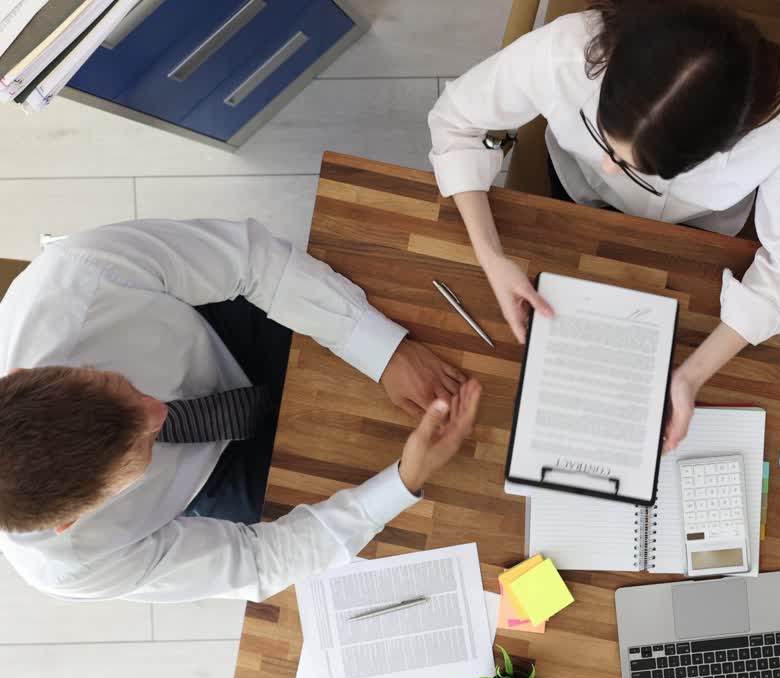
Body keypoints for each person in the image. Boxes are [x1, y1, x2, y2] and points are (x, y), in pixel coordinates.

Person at [0, 219, 480, 603]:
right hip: (212, 478)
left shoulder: (75, 275)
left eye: (118, 383)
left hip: (226, 331)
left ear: (22, 373)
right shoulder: (68, 566)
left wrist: (384, 351)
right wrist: (402, 482)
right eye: (140, 448)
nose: (158, 412)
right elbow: (257, 563)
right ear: (72, 520)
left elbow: (251, 261)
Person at [428, 0, 780, 451]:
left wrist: (690, 376)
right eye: (605, 140)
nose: (610, 167)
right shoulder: (566, 51)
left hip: (699, 235)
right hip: (577, 197)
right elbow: (456, 120)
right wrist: (491, 256)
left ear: (720, 146)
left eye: (635, 163)